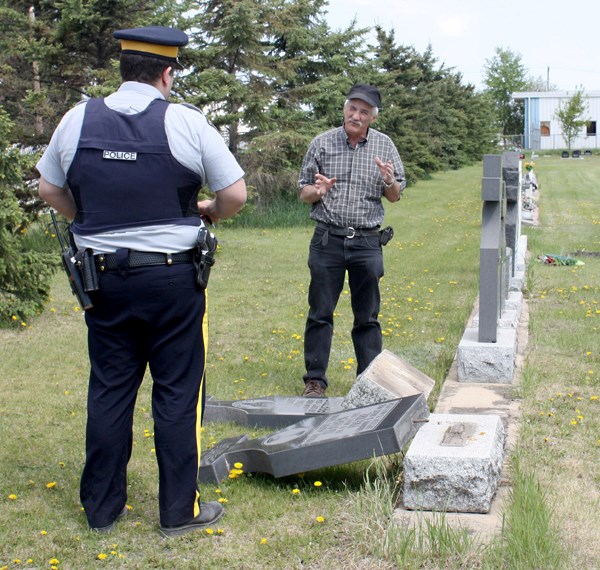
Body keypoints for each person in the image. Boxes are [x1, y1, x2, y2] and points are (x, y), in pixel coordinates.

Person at [36, 26, 247, 537]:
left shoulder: (76, 118)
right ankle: (180, 512)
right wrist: (206, 212)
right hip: (172, 282)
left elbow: (48, 188)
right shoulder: (185, 121)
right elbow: (235, 195)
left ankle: (102, 510)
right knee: (177, 392)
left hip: (102, 280)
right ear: (167, 73)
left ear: (124, 68)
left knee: (109, 390)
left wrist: (90, 217)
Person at [298, 84, 406, 398]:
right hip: (327, 240)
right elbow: (303, 191)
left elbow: (395, 196)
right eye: (352, 109)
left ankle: (369, 380)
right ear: (345, 109)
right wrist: (316, 192)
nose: (355, 115)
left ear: (372, 117)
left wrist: (389, 181)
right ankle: (315, 381)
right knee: (320, 312)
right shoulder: (322, 143)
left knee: (367, 316)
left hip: (367, 243)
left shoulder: (385, 147)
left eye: (363, 111)